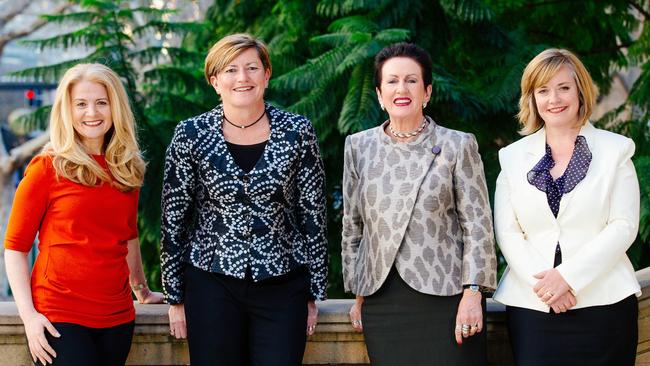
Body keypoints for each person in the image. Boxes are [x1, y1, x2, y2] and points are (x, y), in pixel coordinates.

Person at [160, 33, 327, 366]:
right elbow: (173, 218)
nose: (242, 78)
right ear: (214, 80)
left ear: (266, 75)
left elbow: (314, 214)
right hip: (211, 283)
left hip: (282, 282)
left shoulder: (298, 131)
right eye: (231, 70)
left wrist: (314, 291)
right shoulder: (191, 134)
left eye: (252, 68)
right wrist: (175, 297)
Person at [340, 42, 497, 366]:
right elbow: (353, 225)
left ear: (426, 91)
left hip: (449, 297)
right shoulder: (358, 147)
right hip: (382, 302)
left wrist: (473, 293)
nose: (402, 88)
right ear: (380, 95)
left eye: (411, 80)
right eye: (392, 81)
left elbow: (478, 224)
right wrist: (358, 293)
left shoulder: (457, 144)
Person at [4, 63, 163, 366]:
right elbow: (15, 248)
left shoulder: (126, 168)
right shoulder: (47, 168)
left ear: (115, 108)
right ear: (67, 109)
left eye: (101, 102)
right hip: (60, 317)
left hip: (117, 318)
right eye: (81, 104)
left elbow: (127, 235)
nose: (92, 113)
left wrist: (140, 289)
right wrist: (29, 317)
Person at [492, 48, 641, 365]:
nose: (554, 99)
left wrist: (568, 278)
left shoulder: (617, 150)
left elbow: (623, 226)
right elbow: (508, 233)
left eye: (563, 87)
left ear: (580, 91)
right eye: (542, 90)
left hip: (605, 305)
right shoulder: (512, 157)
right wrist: (548, 288)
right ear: (531, 98)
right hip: (533, 309)